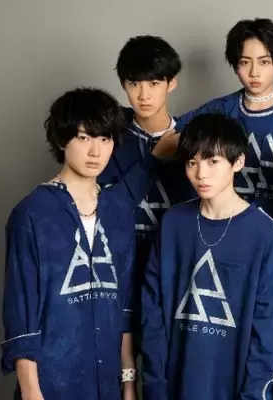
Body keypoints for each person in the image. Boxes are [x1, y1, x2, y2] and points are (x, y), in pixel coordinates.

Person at [1, 87, 154, 400]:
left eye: (105, 139)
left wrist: (128, 381)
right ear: (62, 140)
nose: (95, 151)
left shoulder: (117, 211)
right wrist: (31, 391)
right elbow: (21, 312)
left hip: (108, 385)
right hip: (52, 384)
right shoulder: (32, 213)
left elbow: (124, 305)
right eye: (84, 138)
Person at [141, 113, 273, 400]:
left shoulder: (264, 232)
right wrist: (155, 384)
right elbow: (152, 310)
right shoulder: (173, 223)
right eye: (192, 162)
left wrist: (253, 393)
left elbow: (267, 326)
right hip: (174, 385)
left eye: (213, 161)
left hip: (234, 387)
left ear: (238, 161)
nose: (201, 174)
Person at [98, 35, 194, 341]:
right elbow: (103, 208)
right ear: (123, 85)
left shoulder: (192, 141)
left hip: (175, 274)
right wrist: (153, 159)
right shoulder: (107, 140)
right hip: (117, 270)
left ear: (171, 83)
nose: (143, 95)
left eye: (154, 83)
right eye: (134, 84)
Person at [175, 18, 273, 219]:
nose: (254, 72)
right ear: (235, 65)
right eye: (244, 62)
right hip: (221, 223)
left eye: (264, 62)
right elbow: (174, 136)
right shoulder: (217, 110)